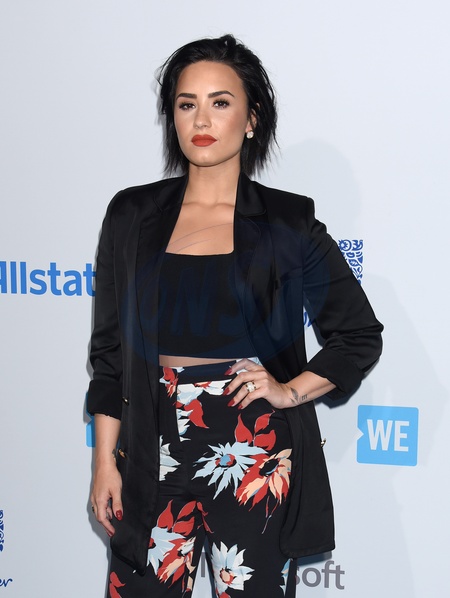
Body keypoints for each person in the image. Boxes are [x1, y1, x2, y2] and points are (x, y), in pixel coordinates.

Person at [87, 34, 383, 598]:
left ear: (251, 120)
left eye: (220, 102)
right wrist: (105, 462)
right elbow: (109, 356)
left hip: (252, 448)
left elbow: (358, 335)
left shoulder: (287, 222)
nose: (202, 119)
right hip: (150, 445)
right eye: (186, 103)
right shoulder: (130, 215)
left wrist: (289, 391)